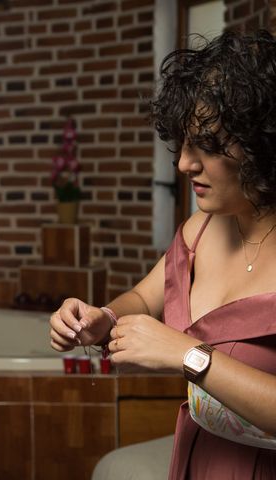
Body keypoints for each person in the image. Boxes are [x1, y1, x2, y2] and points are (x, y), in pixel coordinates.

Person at [50, 30, 276, 479]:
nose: (184, 164)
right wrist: (102, 318)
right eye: (182, 143)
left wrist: (190, 354)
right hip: (201, 454)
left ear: (262, 144)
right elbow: (143, 297)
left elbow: (185, 350)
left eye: (206, 146)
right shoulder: (199, 230)